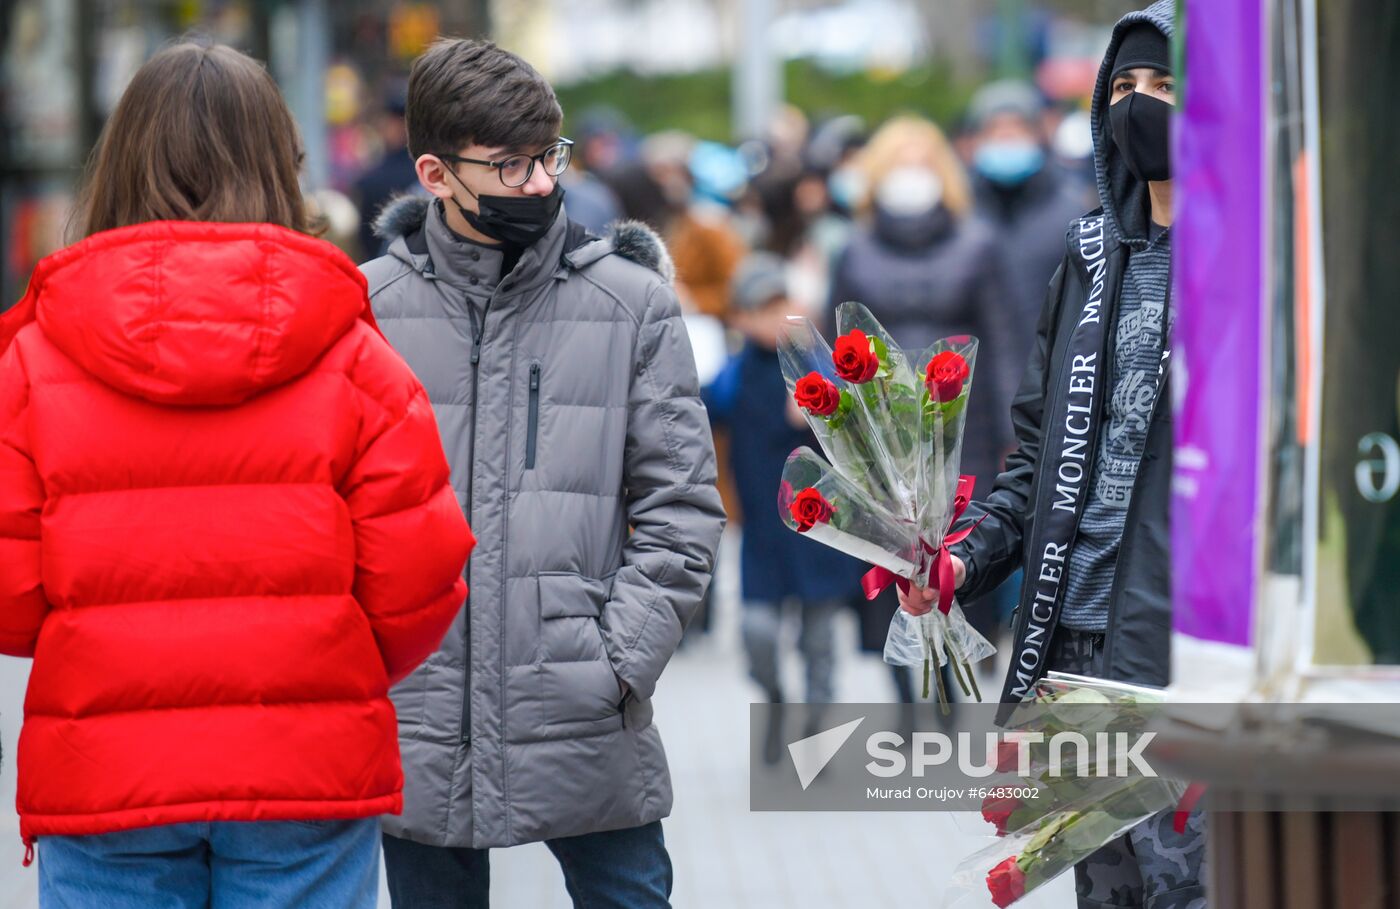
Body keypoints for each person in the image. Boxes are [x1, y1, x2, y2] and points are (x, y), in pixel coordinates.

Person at [0, 42, 473, 908]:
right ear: (278, 165)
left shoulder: (34, 357)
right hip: (306, 768)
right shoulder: (353, 351)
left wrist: (98, 641)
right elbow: (420, 574)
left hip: (106, 773)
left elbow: (10, 592)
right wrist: (327, 663)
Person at [361, 39, 725, 908]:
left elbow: (681, 507)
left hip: (583, 705)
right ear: (434, 173)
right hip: (419, 709)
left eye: (547, 158)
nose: (538, 184)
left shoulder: (629, 302)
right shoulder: (366, 308)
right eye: (510, 165)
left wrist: (616, 664)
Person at [901, 4, 1207, 906]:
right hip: (1073, 649)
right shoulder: (1088, 255)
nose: (1139, 106)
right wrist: (962, 561)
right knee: (1108, 894)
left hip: (1182, 655)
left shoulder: (1248, 267)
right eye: (1124, 87)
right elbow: (1035, 461)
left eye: (1166, 85)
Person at [828, 114, 1014, 701]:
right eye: (898, 163)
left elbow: (1003, 338)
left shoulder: (978, 243)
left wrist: (1014, 431)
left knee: (958, 543)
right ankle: (904, 688)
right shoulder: (854, 249)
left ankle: (956, 678)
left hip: (963, 427)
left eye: (921, 162)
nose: (910, 174)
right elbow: (837, 338)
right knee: (888, 548)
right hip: (881, 432)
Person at [702, 253, 862, 762]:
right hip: (763, 533)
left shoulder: (814, 365)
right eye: (761, 310)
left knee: (820, 640)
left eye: (781, 307)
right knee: (757, 632)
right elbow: (700, 407)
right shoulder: (735, 374)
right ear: (740, 318)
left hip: (819, 529)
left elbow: (857, 419)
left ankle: (816, 725)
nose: (774, 319)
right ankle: (773, 697)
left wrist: (822, 406)